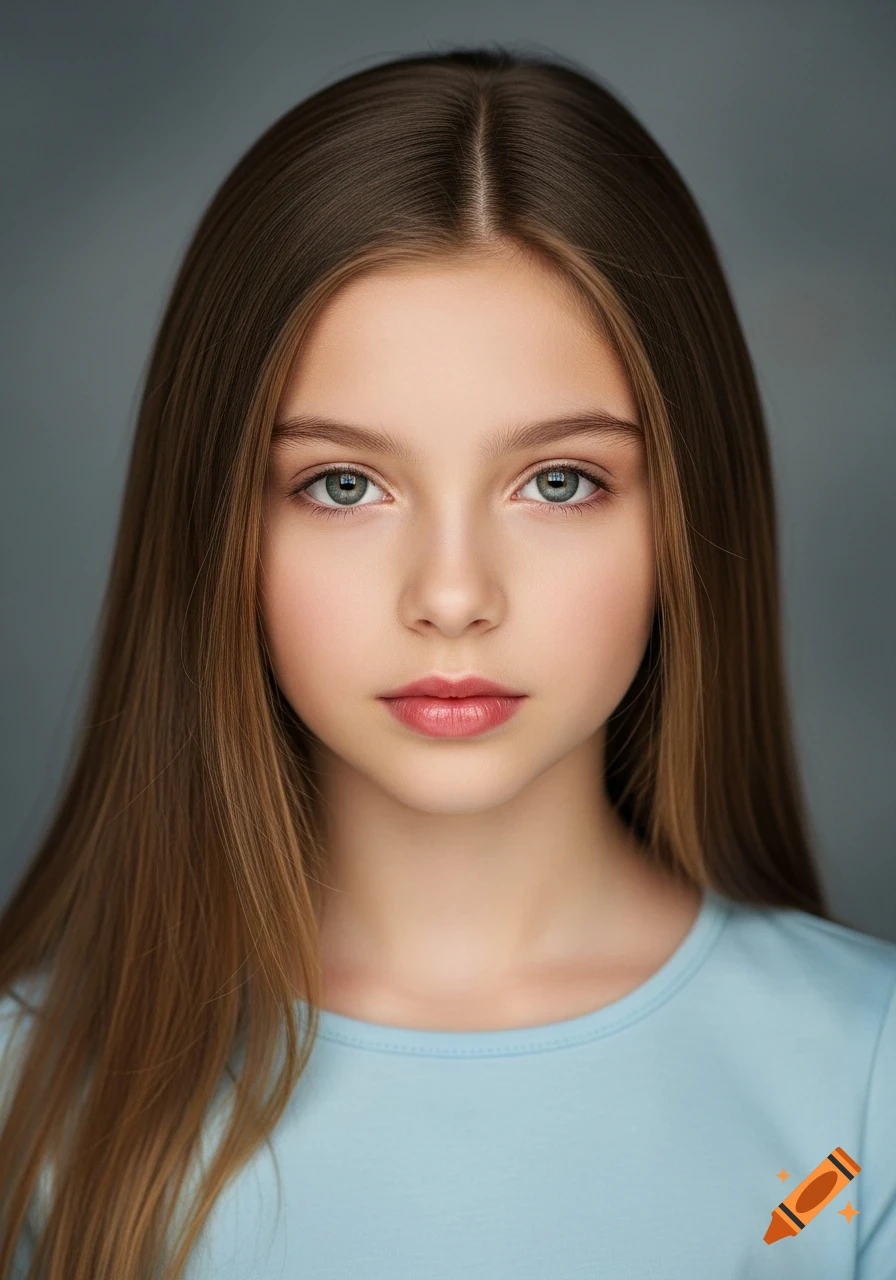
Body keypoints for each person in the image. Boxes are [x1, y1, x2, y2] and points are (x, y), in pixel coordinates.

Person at [0, 45, 893, 1280]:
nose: (454, 596)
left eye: (558, 481)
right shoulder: (26, 1086)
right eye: (343, 484)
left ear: (686, 513)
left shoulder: (864, 1076)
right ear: (214, 529)